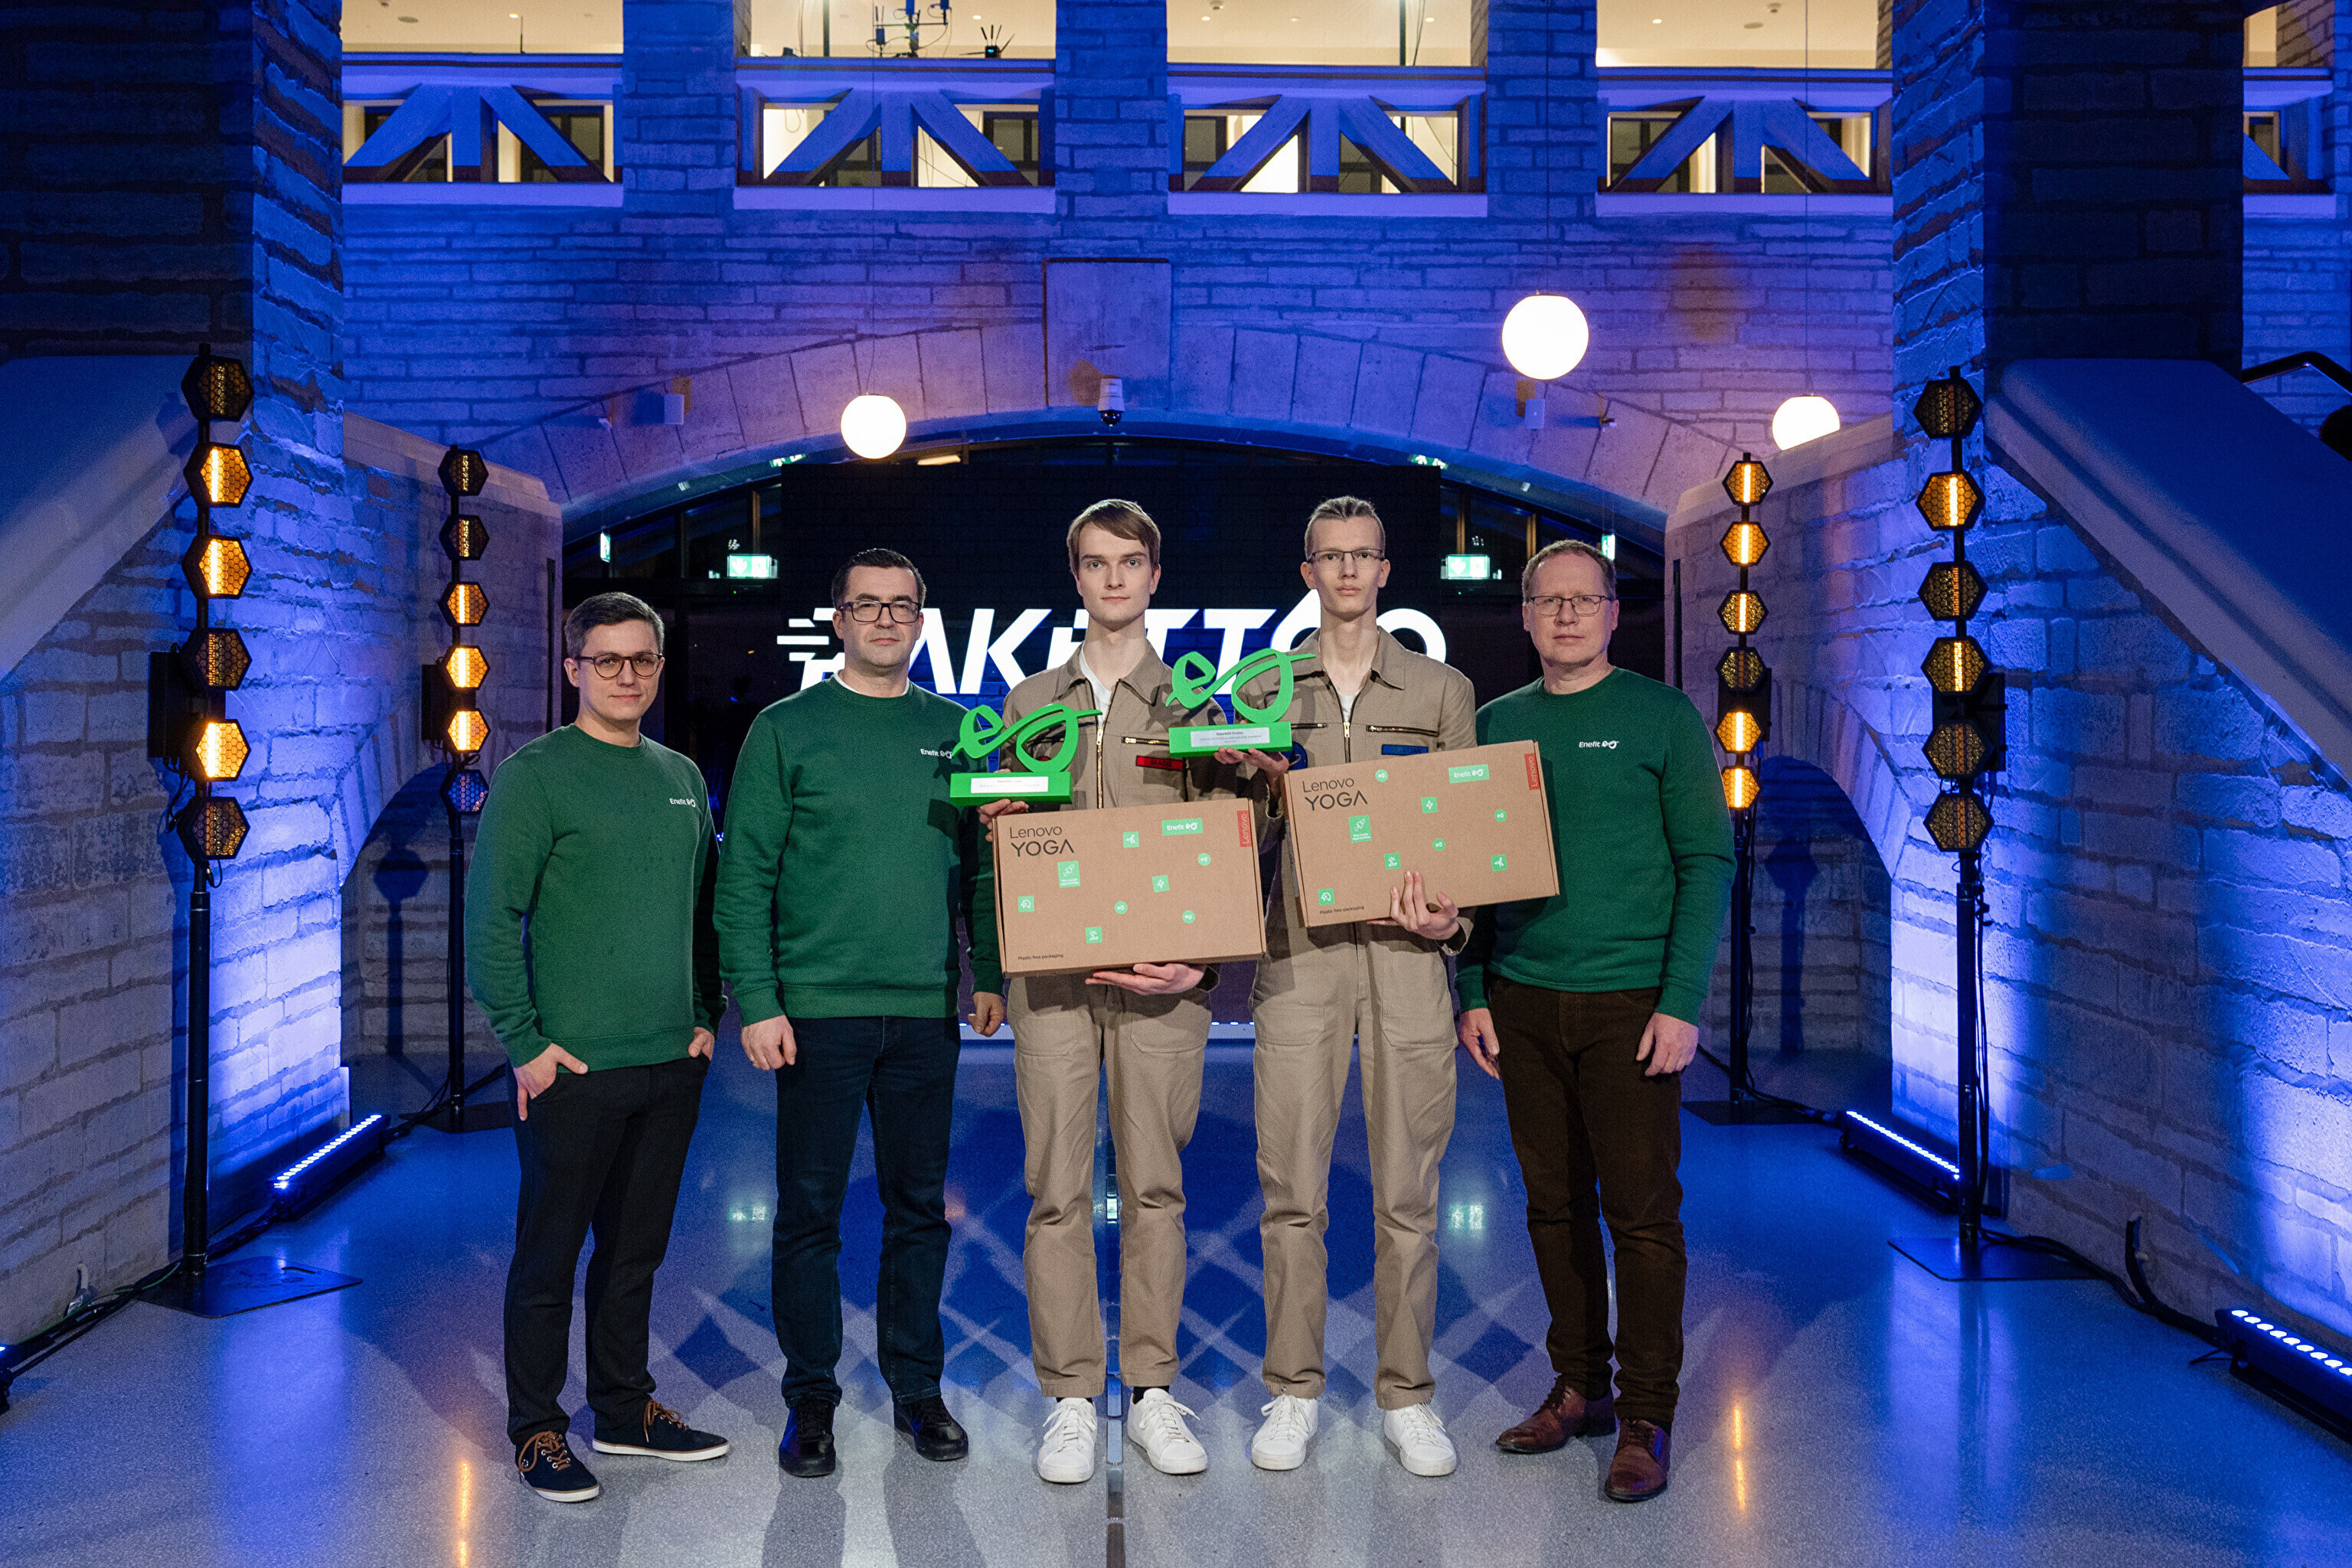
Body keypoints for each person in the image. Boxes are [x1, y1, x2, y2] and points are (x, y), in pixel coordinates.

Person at [1454, 539, 1734, 1504]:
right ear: (1527, 615)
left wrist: (1681, 1002)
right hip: (1524, 998)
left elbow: (1708, 860)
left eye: (1585, 598)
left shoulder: (1662, 715)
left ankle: (1648, 1411)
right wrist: (1474, 987)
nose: (1567, 614)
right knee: (1552, 1204)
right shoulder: (1498, 723)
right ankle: (1580, 1384)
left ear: (1614, 612)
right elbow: (1473, 871)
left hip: (1631, 1004)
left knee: (1642, 1214)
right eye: (1549, 599)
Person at [714, 547, 1002, 1479]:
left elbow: (983, 866)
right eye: (867, 605)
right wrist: (758, 1000)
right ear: (838, 619)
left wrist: (990, 970)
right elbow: (743, 877)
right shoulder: (785, 729)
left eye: (901, 605)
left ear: (921, 619)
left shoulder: (956, 731)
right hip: (818, 1015)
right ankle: (811, 1401)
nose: (885, 619)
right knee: (810, 1213)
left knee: (919, 1209)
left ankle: (919, 1388)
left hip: (923, 1013)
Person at [977, 500, 1237, 1486]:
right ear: (1076, 575)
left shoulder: (1197, 704)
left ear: (1155, 574)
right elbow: (1006, 842)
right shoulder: (1027, 701)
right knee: (1055, 1188)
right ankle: (1071, 1395)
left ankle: (1154, 1386)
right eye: (1097, 563)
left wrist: (1199, 965)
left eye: (1131, 561)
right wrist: (1002, 820)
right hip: (1052, 979)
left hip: (1164, 982)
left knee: (1157, 1185)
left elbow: (1228, 845)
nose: (1115, 578)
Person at [1229, 496, 1475, 1478]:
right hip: (1300, 954)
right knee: (1292, 1189)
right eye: (1327, 556)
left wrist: (1452, 923)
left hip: (1409, 962)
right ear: (1307, 571)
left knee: (1409, 1190)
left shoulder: (1442, 688)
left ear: (1384, 569)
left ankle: (1407, 1393)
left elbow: (1467, 832)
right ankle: (1293, 1387)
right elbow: (1239, 838)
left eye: (1361, 555)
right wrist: (1253, 784)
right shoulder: (1261, 686)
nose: (1344, 571)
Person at [469, 590, 730, 1504]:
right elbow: (490, 919)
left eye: (642, 659)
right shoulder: (535, 776)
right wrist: (525, 1044)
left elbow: (703, 909)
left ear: (658, 665)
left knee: (634, 1255)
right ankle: (537, 1427)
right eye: (607, 659)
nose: (627, 675)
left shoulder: (681, 775)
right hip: (571, 1068)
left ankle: (622, 1409)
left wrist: (706, 1013)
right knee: (548, 1257)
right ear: (573, 667)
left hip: (669, 1063)